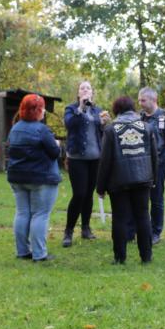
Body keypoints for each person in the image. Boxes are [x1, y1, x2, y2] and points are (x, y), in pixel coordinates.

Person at [96, 96, 158, 265]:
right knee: (143, 217)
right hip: (143, 179)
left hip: (118, 181)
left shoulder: (111, 130)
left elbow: (105, 161)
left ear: (116, 110)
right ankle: (146, 256)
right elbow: (154, 155)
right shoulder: (147, 127)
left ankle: (120, 257)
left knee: (120, 218)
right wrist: (153, 178)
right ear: (133, 108)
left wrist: (100, 187)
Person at [7, 94, 61, 262]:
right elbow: (55, 152)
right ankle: (39, 254)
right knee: (40, 214)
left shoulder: (15, 128)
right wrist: (57, 144)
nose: (44, 111)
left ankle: (22, 251)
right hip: (41, 178)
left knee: (22, 213)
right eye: (42, 108)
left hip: (17, 177)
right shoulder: (41, 130)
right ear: (37, 111)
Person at [62, 81, 111, 247]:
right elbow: (69, 125)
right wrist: (81, 109)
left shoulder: (97, 110)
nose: (85, 90)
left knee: (89, 194)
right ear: (78, 93)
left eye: (88, 88)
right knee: (79, 194)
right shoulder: (71, 109)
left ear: (92, 93)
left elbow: (100, 133)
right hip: (77, 158)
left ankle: (85, 228)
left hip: (95, 158)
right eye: (82, 88)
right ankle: (68, 231)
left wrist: (104, 124)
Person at [138, 87, 165, 244]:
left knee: (156, 199)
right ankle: (141, 229)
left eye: (143, 100)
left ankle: (155, 232)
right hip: (139, 165)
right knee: (140, 198)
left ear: (153, 100)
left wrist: (159, 162)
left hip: (158, 166)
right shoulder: (139, 118)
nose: (140, 103)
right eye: (139, 100)